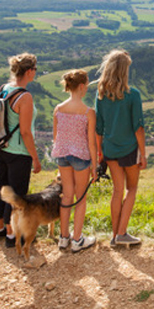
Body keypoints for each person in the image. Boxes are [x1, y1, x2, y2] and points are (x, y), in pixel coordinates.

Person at [95, 49, 147, 247]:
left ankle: (114, 234)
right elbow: (138, 127)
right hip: (129, 149)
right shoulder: (132, 95)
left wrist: (100, 153)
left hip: (109, 149)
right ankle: (122, 233)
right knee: (131, 189)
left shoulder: (100, 95)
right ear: (124, 70)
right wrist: (143, 153)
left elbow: (98, 128)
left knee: (117, 191)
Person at [0, 53, 42, 248]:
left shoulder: (4, 89)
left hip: (1, 147)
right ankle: (13, 236)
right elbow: (26, 132)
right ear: (29, 72)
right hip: (18, 152)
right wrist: (35, 158)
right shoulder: (25, 96)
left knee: (2, 189)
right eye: (35, 70)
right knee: (17, 195)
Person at [52, 69, 98, 253]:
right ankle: (77, 239)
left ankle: (63, 237)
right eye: (86, 84)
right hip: (80, 157)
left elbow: (56, 137)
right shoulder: (88, 112)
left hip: (62, 156)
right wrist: (95, 166)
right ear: (81, 86)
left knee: (67, 196)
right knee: (81, 198)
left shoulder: (58, 109)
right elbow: (91, 143)